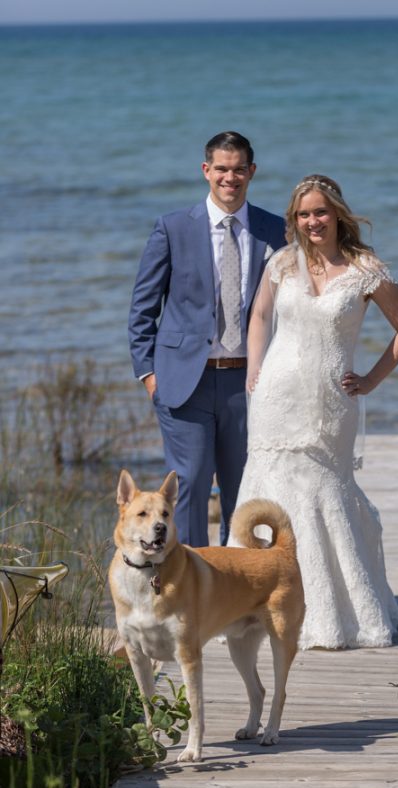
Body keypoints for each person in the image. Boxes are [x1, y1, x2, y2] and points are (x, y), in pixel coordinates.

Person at [232, 174, 398, 650]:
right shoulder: (283, 264)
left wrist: (371, 380)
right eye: (303, 214)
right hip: (276, 397)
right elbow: (258, 318)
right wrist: (254, 369)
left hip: (330, 405)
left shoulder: (366, 269)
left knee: (321, 495)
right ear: (294, 220)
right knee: (270, 488)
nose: (312, 221)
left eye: (320, 212)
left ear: (337, 213)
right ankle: (251, 606)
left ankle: (328, 615)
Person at [128, 132, 286, 546]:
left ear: (251, 172)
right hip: (184, 382)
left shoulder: (276, 231)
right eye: (221, 169)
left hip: (248, 382)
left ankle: (237, 585)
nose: (229, 177)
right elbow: (143, 309)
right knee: (191, 487)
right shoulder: (173, 228)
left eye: (238, 169)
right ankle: (195, 587)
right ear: (206, 171)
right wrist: (149, 375)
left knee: (245, 488)